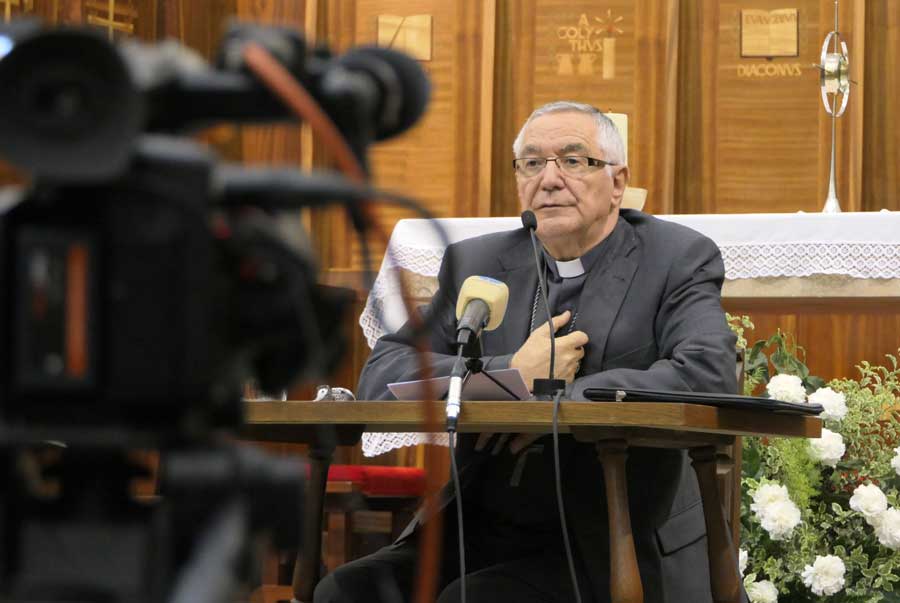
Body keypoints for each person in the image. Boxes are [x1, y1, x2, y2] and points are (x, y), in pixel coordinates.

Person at [314, 101, 738, 603]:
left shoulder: (674, 257)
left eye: (574, 161)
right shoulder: (479, 262)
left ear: (617, 183)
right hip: (481, 525)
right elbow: (383, 374)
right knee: (345, 590)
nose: (549, 179)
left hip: (613, 534)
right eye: (532, 163)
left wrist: (553, 403)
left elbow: (708, 372)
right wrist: (510, 372)